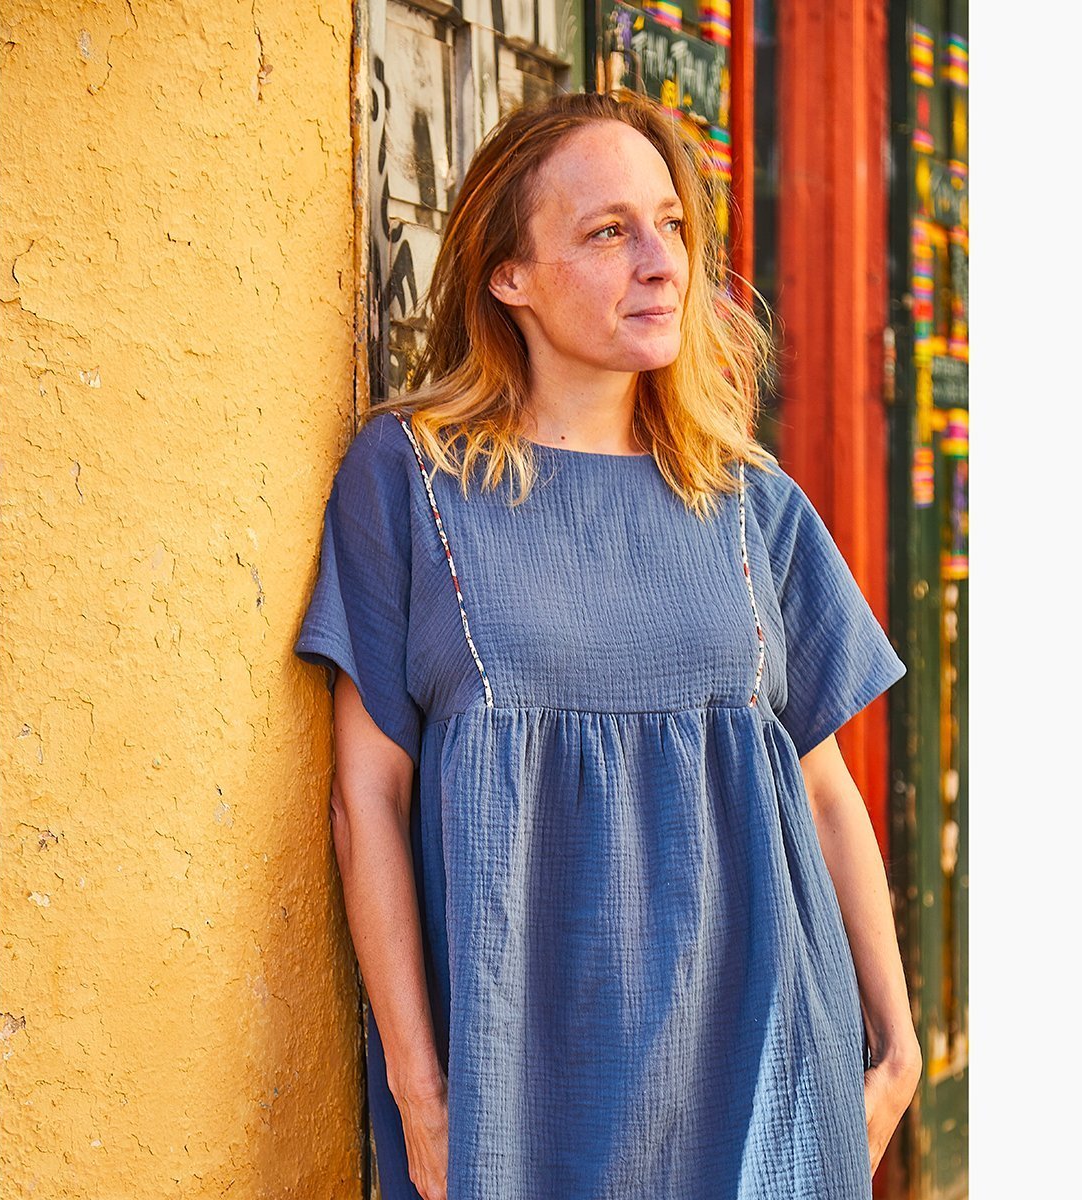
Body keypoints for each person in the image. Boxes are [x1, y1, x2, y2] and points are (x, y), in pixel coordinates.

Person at [295, 88, 921, 1200]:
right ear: (509, 276)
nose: (661, 262)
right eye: (608, 231)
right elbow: (367, 800)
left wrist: (899, 1047)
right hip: (520, 1087)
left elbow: (823, 791)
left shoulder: (748, 502)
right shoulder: (410, 480)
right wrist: (420, 1089)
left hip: (764, 1078)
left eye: (671, 224)